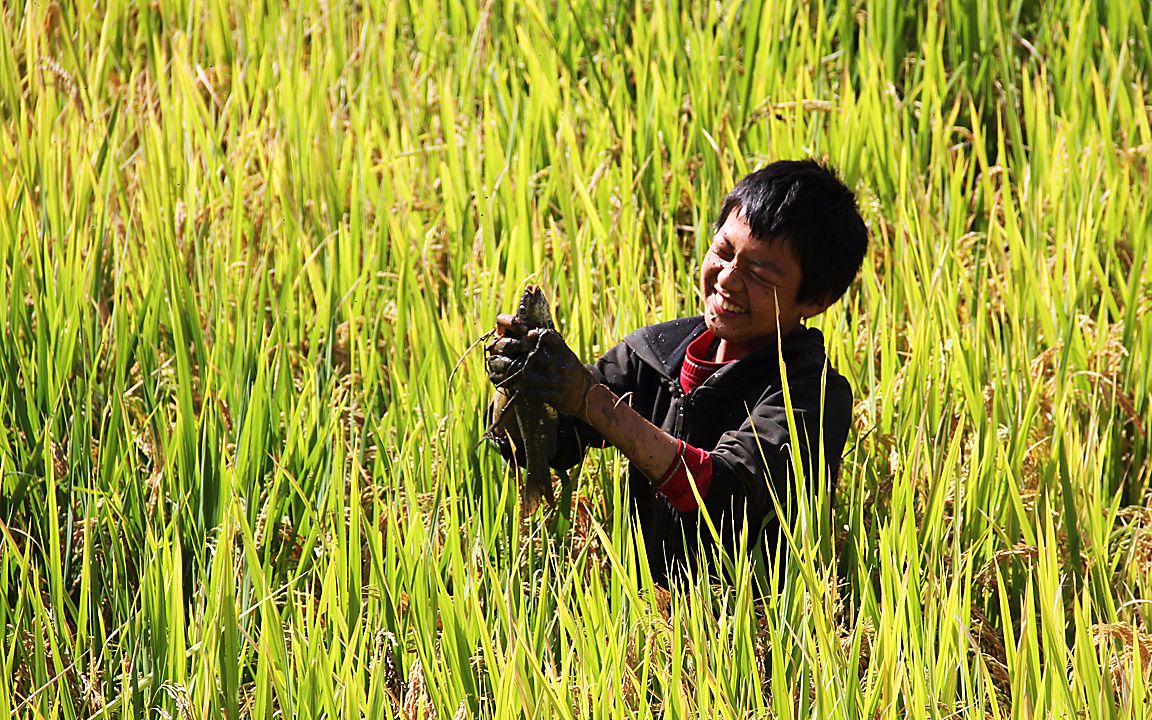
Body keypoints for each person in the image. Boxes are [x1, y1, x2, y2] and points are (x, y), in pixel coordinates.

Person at [485, 159, 869, 586]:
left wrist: (591, 401)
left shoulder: (811, 393)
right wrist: (516, 381)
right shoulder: (655, 352)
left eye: (759, 273)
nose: (728, 279)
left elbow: (724, 492)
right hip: (640, 610)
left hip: (749, 623)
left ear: (816, 299)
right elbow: (555, 441)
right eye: (723, 252)